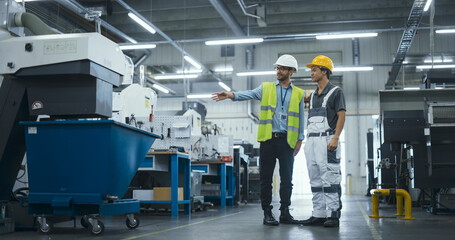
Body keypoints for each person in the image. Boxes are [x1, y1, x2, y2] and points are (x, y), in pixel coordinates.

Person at [212, 55, 305, 226]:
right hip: (268, 140)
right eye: (277, 68)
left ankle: (285, 212)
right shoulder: (267, 88)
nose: (278, 71)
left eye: (282, 68)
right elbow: (247, 94)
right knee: (266, 179)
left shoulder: (299, 93)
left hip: (287, 141)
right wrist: (230, 95)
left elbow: (301, 119)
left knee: (287, 179)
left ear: (291, 72)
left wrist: (300, 140)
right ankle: (267, 213)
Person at [301, 55, 346, 228]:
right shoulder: (312, 96)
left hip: (327, 140)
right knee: (315, 178)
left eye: (314, 69)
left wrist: (336, 137)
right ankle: (319, 213)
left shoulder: (336, 92)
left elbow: (342, 116)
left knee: (330, 177)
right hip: (311, 142)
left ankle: (333, 214)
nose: (311, 73)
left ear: (324, 71)